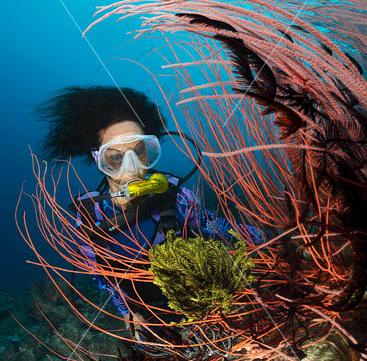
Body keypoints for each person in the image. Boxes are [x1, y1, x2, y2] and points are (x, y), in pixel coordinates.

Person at [37, 85, 261, 321]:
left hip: (209, 306)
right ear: (98, 159)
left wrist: (266, 242)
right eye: (115, 157)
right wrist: (127, 313)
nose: (133, 168)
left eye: (139, 151)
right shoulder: (90, 216)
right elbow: (102, 276)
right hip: (151, 318)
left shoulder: (177, 197)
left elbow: (219, 227)